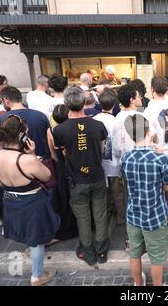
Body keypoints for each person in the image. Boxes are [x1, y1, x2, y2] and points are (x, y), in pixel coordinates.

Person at [0, 115, 59, 286]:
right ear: (22, 136)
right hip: (32, 203)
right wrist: (33, 154)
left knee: (30, 236)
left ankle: (33, 255)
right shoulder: (26, 160)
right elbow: (47, 175)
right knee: (36, 240)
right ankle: (37, 276)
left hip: (11, 200)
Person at [52, 86, 109, 266]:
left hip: (77, 178)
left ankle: (88, 252)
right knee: (100, 214)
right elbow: (102, 150)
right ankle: (101, 250)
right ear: (84, 102)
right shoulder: (99, 125)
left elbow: (62, 152)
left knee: (82, 217)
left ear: (66, 104)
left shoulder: (59, 130)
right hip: (97, 175)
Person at [121, 114, 168, 286]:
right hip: (155, 215)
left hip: (133, 214)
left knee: (135, 253)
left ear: (130, 135)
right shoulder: (161, 159)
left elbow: (127, 182)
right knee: (157, 258)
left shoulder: (125, 158)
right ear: (148, 131)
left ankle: (139, 284)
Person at [46, 104, 78, 243]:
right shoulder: (72, 129)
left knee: (64, 198)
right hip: (74, 166)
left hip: (60, 166)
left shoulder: (50, 131)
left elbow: (52, 154)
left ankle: (66, 227)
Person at [94, 88, 126, 226]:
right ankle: (121, 218)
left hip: (99, 164)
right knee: (118, 194)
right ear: (114, 105)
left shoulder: (93, 120)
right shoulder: (117, 122)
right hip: (114, 163)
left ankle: (105, 217)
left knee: (103, 194)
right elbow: (120, 146)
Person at [0, 86, 51, 160]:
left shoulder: (0, 120)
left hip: (16, 164)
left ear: (6, 101)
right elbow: (49, 139)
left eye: (2, 103)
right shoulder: (40, 115)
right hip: (42, 160)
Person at [143, 76, 168, 166]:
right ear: (167, 89)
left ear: (152, 89)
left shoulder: (149, 110)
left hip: (156, 155)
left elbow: (148, 136)